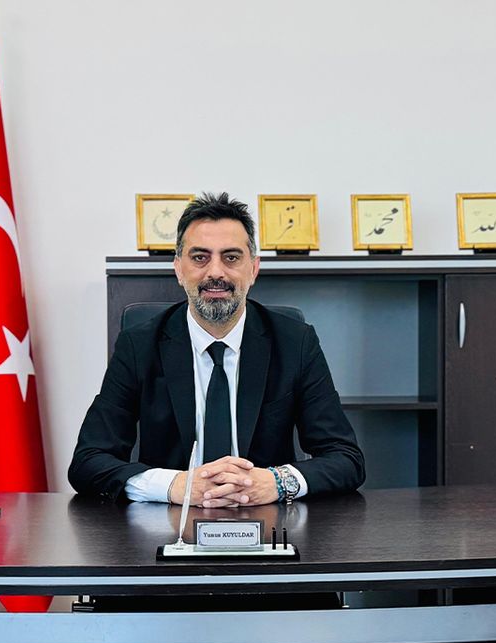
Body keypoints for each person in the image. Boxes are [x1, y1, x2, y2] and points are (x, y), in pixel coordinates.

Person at [69, 192, 364, 506]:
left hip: (266, 518)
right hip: (170, 521)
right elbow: (88, 462)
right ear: (178, 268)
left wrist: (277, 482)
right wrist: (175, 485)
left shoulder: (295, 341)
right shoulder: (139, 345)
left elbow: (346, 458)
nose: (215, 273)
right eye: (200, 257)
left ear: (254, 269)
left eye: (231, 257)